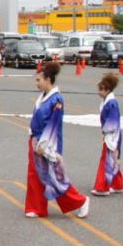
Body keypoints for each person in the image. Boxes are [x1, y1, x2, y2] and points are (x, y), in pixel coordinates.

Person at [25, 61, 90, 219]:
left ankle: (80, 201)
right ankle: (37, 207)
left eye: (39, 80)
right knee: (35, 175)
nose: (37, 83)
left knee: (54, 177)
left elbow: (54, 125)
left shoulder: (56, 99)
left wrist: (44, 144)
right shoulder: (43, 97)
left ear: (48, 80)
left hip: (47, 142)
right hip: (36, 139)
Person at [92, 72, 123, 196]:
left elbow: (113, 121)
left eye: (101, 89)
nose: (99, 92)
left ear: (107, 89)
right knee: (113, 158)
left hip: (112, 134)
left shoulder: (111, 103)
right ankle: (117, 184)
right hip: (111, 133)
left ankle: (103, 187)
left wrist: (106, 130)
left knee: (106, 159)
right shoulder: (108, 101)